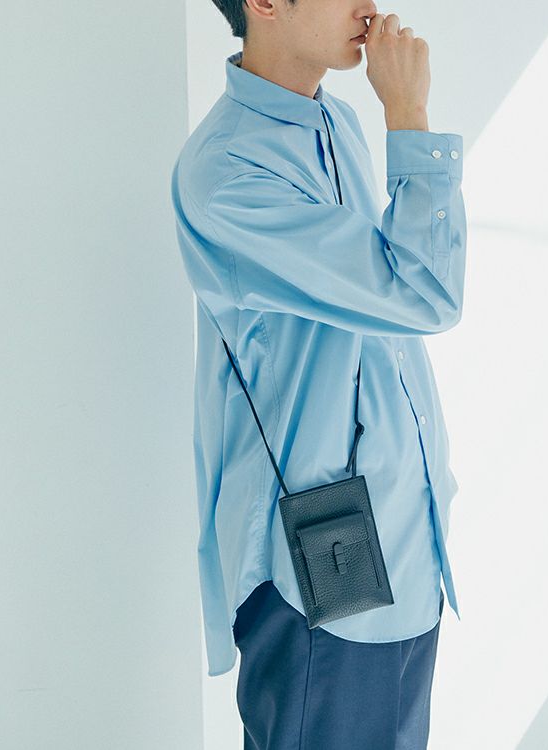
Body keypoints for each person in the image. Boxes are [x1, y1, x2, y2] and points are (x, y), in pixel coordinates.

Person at [170, 1, 467, 747]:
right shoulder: (228, 173)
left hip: (405, 540)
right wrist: (410, 116)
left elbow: (379, 331)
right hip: (318, 569)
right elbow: (423, 295)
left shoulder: (333, 121)